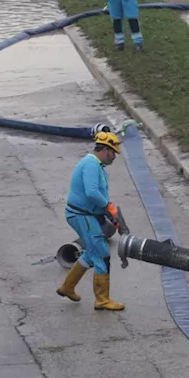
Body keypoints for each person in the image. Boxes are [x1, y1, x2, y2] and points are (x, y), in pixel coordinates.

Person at [56, 130, 126, 311]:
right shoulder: (91, 164)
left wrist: (110, 214)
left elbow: (98, 195)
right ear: (105, 150)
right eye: (114, 153)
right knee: (102, 254)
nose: (115, 157)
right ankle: (102, 300)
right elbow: (92, 192)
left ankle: (67, 287)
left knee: (90, 253)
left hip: (87, 215)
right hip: (82, 215)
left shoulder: (97, 166)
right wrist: (109, 208)